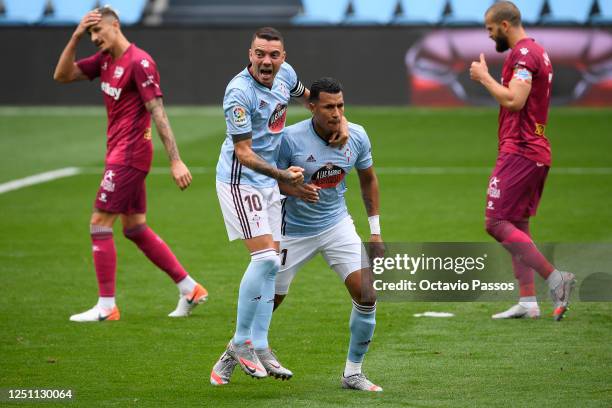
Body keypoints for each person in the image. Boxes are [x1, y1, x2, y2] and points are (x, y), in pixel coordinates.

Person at [213, 77, 383, 391]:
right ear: (311, 106)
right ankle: (231, 352)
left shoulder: (356, 135)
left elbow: (368, 179)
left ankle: (353, 373)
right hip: (292, 232)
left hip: (336, 225)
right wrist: (292, 187)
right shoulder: (290, 139)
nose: (336, 113)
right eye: (329, 106)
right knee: (269, 301)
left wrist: (375, 231)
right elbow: (264, 179)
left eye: (341, 106)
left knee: (367, 294)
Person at [210, 28, 348, 383]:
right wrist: (283, 176)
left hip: (270, 181)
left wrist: (340, 121)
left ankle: (262, 345)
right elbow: (243, 152)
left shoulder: (286, 76)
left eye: (273, 54)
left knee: (273, 267)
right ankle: (241, 343)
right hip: (241, 180)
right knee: (267, 260)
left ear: (283, 57)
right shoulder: (238, 93)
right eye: (260, 54)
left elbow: (311, 99)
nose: (266, 61)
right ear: (250, 53)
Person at [53, 6, 207, 322]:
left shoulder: (140, 62)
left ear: (116, 25)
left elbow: (158, 111)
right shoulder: (105, 60)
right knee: (134, 228)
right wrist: (75, 36)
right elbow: (62, 75)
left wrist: (176, 160)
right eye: (90, 33)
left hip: (130, 154)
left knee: (99, 222)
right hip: (120, 153)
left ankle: (106, 306)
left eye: (98, 31)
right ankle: (189, 288)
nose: (94, 38)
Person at [469, 1, 575, 321]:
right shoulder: (536, 52)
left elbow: (515, 100)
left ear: (504, 25)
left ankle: (556, 279)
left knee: (496, 222)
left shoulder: (523, 55)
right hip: (532, 149)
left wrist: (484, 78)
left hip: (522, 150)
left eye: (490, 30)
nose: (489, 37)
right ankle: (528, 302)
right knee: (516, 222)